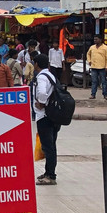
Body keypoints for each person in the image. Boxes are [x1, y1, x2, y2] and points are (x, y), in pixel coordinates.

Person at [33, 53, 61, 186]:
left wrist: (42, 103)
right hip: (54, 116)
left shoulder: (41, 78)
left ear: (36, 64)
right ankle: (48, 172)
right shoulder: (51, 75)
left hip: (44, 116)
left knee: (48, 146)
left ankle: (50, 175)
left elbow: (42, 93)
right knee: (51, 145)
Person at [87, 35, 107, 100]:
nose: (95, 41)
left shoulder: (106, 48)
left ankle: (105, 95)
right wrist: (89, 61)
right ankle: (93, 94)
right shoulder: (92, 47)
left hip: (102, 67)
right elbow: (88, 54)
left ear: (100, 40)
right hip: (94, 67)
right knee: (94, 81)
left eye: (96, 39)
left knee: (103, 81)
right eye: (94, 39)